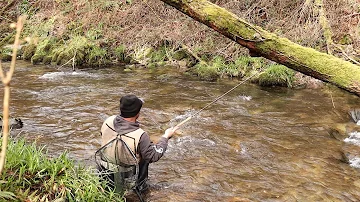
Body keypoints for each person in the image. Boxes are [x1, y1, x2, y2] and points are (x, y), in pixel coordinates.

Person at [96, 94, 177, 198]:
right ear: (138, 113)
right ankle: (140, 188)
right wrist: (165, 137)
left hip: (104, 168)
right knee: (145, 157)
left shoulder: (108, 121)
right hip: (126, 173)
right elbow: (153, 156)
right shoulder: (141, 135)